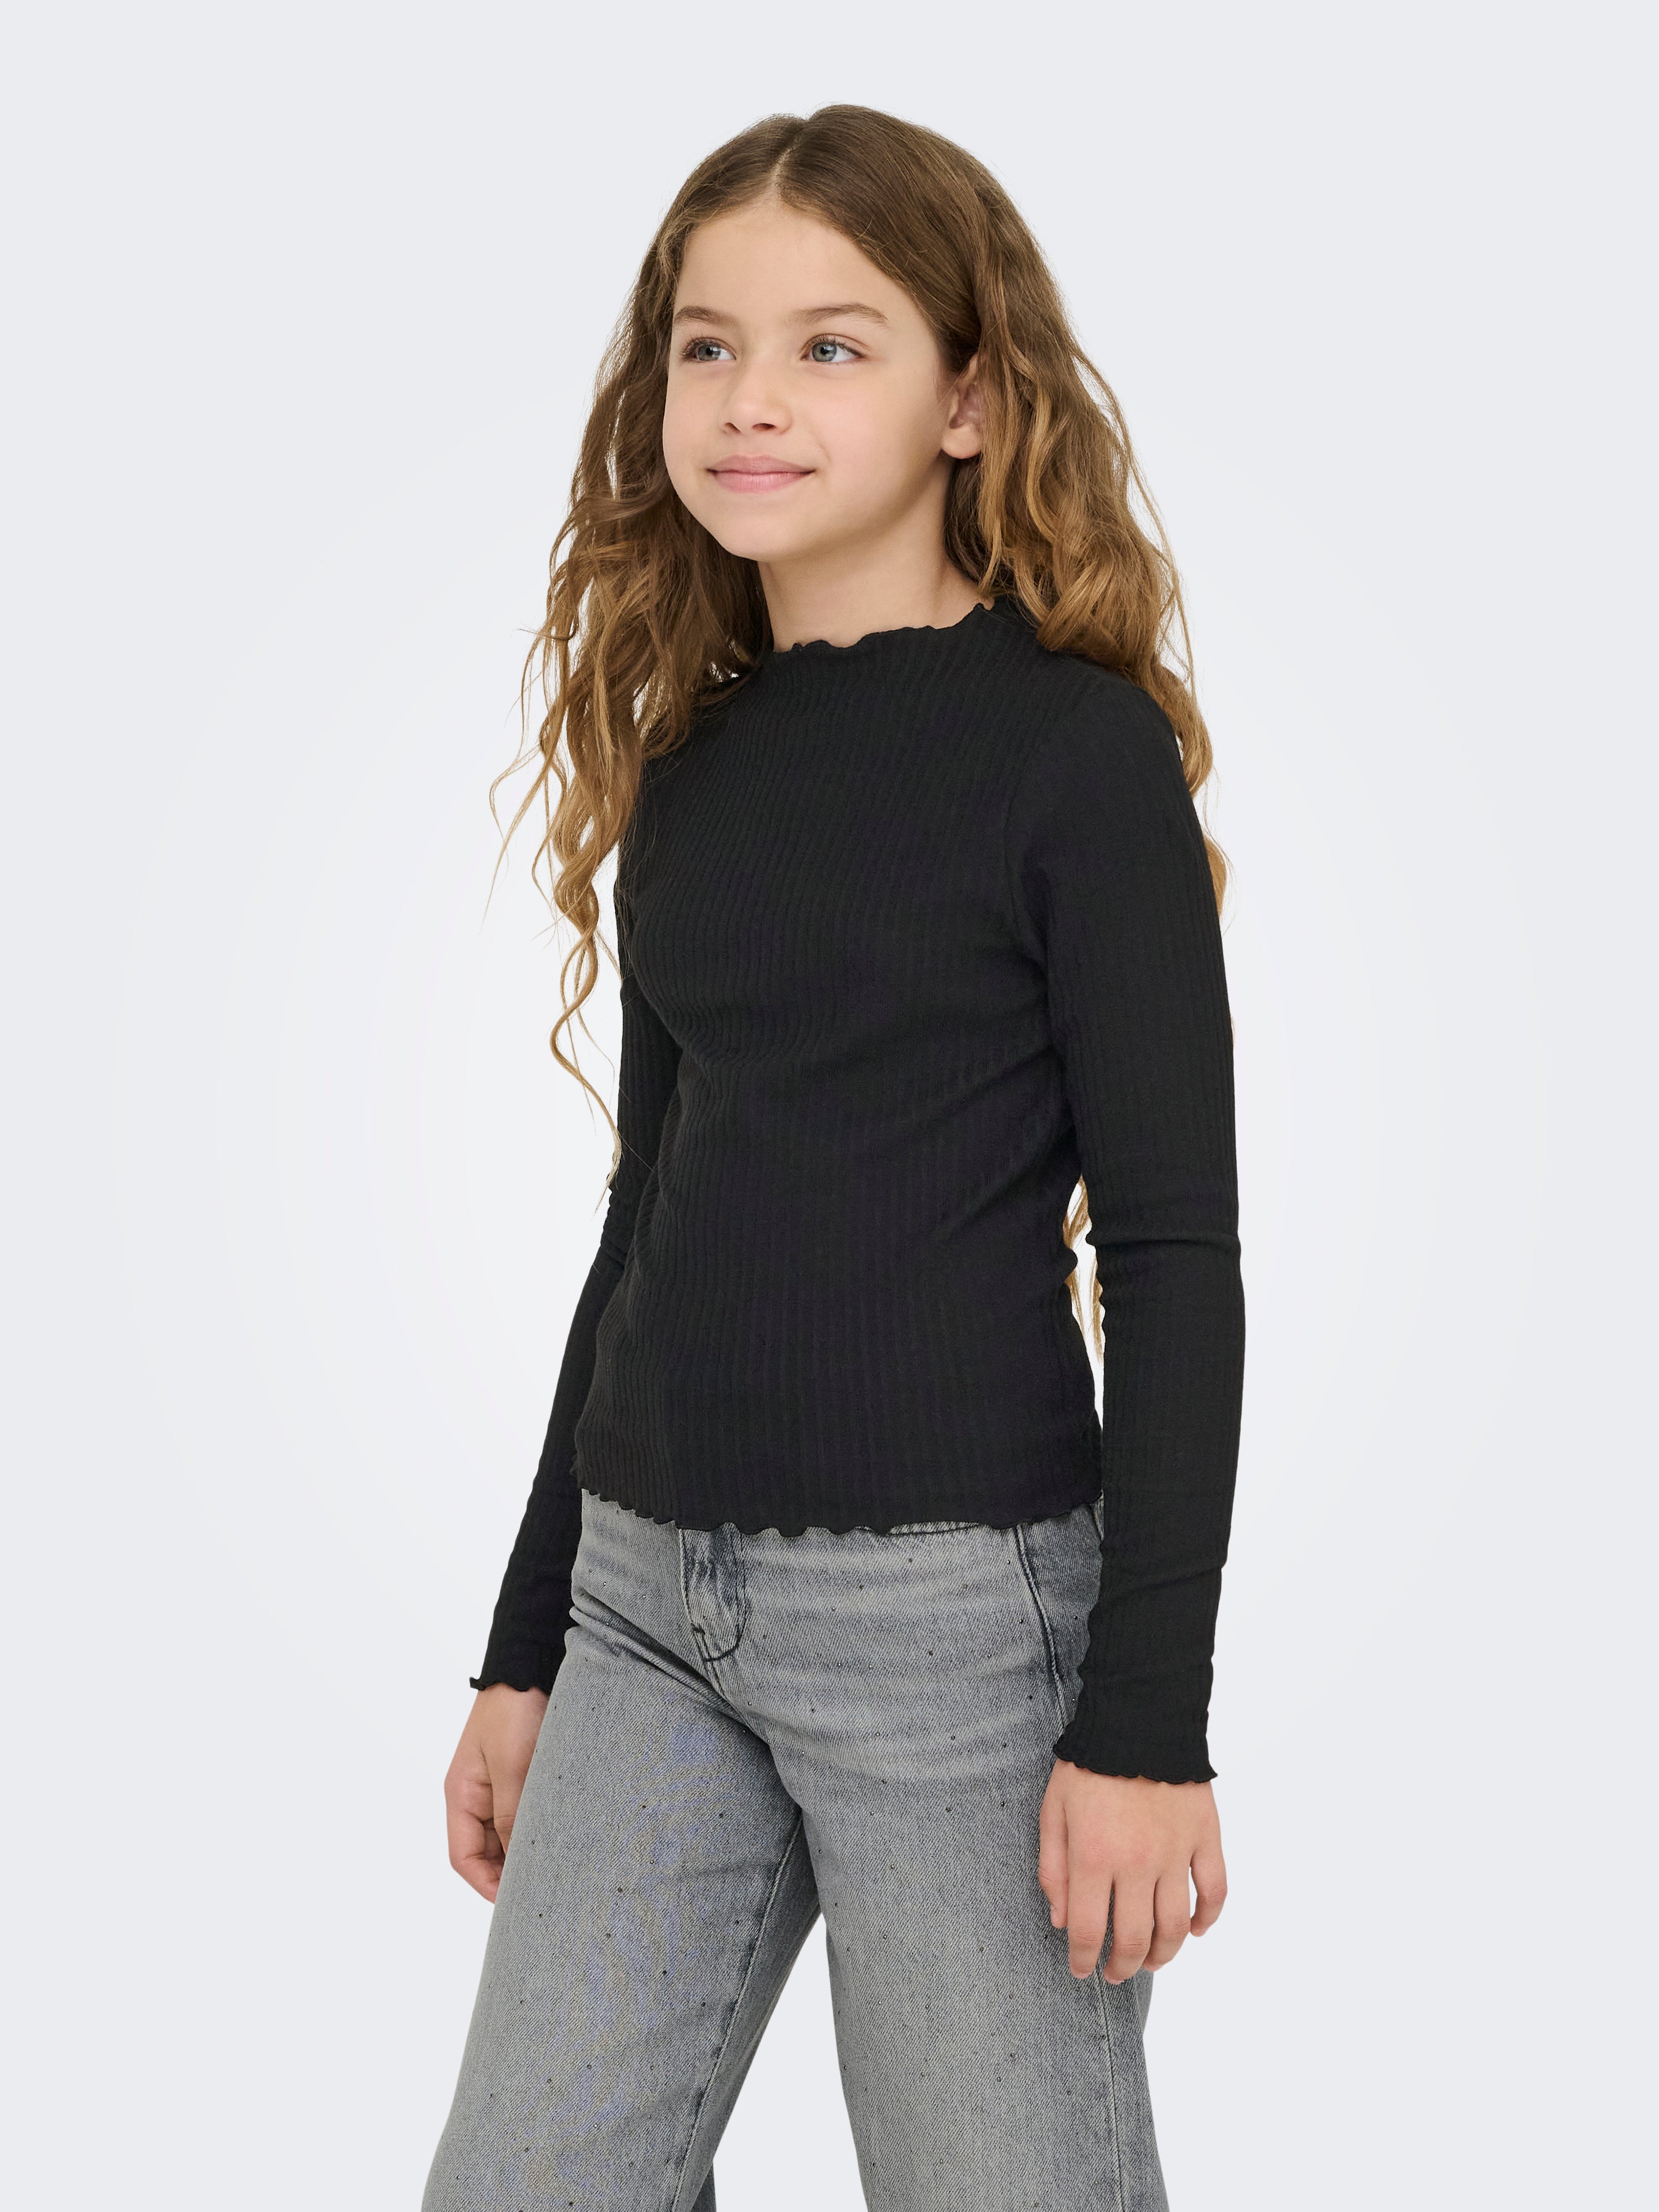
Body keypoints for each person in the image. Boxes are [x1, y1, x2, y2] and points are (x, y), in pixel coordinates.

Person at [423, 103, 1245, 2212]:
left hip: (954, 1638)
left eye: (830, 345)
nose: (750, 400)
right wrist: (526, 1641)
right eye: (706, 347)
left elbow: (1173, 1256)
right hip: (643, 1605)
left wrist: (1145, 1722)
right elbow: (646, 1219)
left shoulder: (1075, 757)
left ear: (969, 397)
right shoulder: (694, 766)